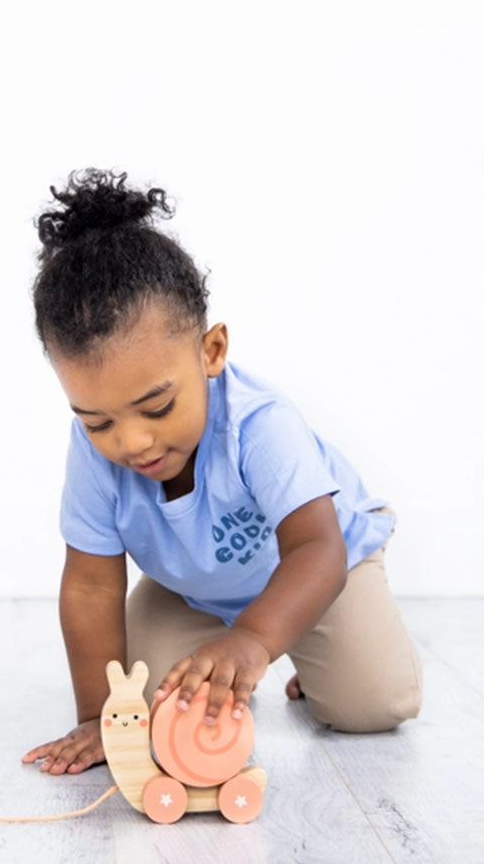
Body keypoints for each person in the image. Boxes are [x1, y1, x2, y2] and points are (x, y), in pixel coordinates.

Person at [23, 169, 422, 776]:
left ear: (211, 353)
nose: (132, 442)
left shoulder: (260, 424)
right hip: (195, 587)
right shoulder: (92, 452)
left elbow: (317, 547)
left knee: (373, 705)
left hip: (318, 569)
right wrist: (100, 717)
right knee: (148, 714)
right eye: (97, 421)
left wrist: (256, 641)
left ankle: (305, 664)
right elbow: (90, 586)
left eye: (157, 407)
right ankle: (228, 642)